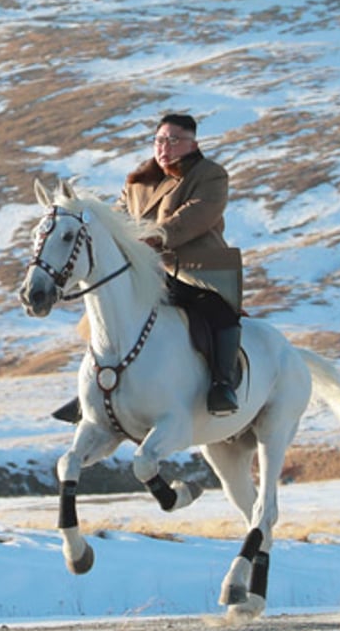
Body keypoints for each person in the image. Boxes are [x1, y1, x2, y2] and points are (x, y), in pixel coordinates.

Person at [52, 113, 242, 423]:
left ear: (192, 144)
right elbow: (118, 217)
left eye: (172, 141)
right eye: (159, 140)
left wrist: (153, 237)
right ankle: (96, 389)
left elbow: (196, 215)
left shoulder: (210, 175)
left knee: (218, 313)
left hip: (195, 268)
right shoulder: (137, 179)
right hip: (146, 269)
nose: (163, 147)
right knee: (102, 316)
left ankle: (222, 384)